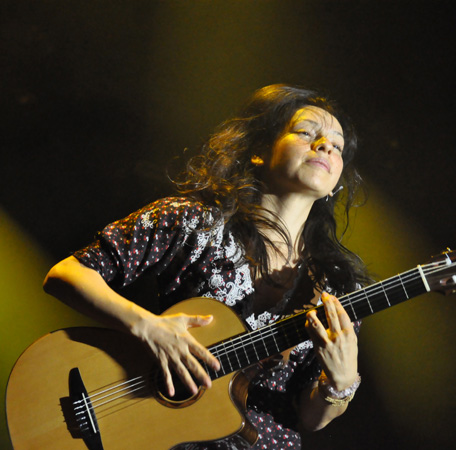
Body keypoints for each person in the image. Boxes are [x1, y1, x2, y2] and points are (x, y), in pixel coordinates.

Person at [43, 84, 372, 449]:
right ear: (260, 151)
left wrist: (340, 383)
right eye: (307, 133)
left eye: (337, 145)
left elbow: (310, 417)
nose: (325, 146)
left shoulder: (337, 285)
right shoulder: (191, 223)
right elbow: (67, 274)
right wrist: (148, 328)